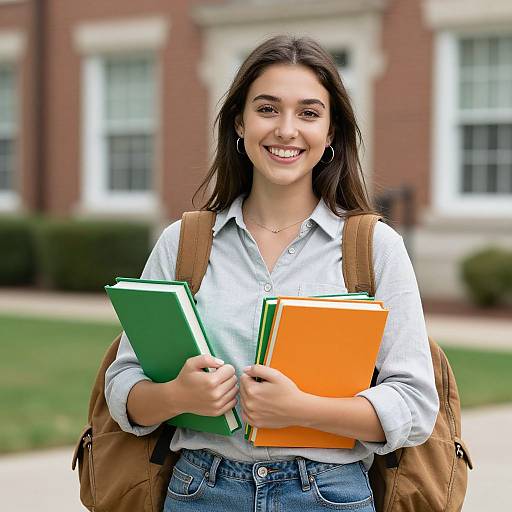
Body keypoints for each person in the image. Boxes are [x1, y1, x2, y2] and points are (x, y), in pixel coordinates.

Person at [105, 34, 439, 512]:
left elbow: (414, 405)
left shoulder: (375, 248)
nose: (286, 130)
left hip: (330, 495)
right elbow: (123, 384)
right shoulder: (183, 243)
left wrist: (302, 410)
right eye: (267, 109)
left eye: (308, 113)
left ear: (331, 133)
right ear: (239, 123)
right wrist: (176, 395)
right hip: (200, 491)